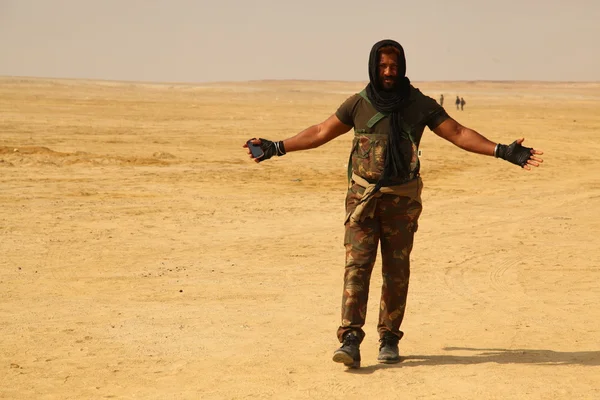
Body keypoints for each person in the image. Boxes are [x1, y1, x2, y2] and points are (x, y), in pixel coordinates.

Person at [243, 39, 543, 369]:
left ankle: (389, 338)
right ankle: (350, 339)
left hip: (402, 203)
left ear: (402, 69)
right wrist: (277, 146)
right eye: (383, 66)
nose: (389, 72)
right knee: (356, 269)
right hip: (363, 201)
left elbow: (457, 132)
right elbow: (320, 131)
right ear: (374, 66)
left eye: (394, 67)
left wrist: (501, 150)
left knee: (396, 272)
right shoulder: (359, 104)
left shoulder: (418, 103)